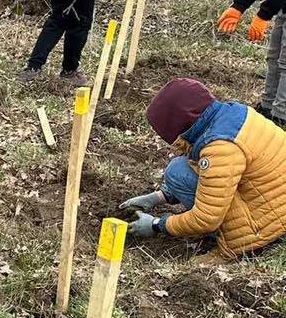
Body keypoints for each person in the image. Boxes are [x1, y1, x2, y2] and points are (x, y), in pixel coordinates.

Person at [120, 77, 286, 256]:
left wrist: (157, 225)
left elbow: (207, 218)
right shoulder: (230, 116)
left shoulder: (221, 147)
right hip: (269, 197)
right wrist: (159, 197)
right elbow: (222, 177)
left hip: (268, 223)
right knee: (178, 169)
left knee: (178, 172)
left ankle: (242, 243)